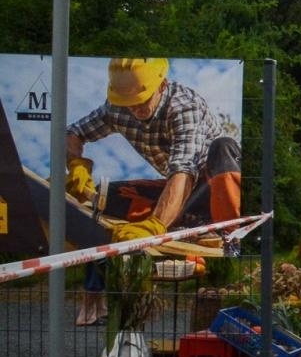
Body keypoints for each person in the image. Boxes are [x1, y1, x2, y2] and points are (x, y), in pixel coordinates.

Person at [64, 57, 242, 243]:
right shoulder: (117, 108)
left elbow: (183, 170)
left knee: (224, 146)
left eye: (142, 100)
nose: (135, 108)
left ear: (162, 85)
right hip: (183, 192)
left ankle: (229, 232)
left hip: (213, 187)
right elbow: (73, 133)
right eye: (129, 102)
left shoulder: (184, 107)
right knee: (108, 194)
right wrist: (76, 164)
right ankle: (189, 222)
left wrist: (156, 225)